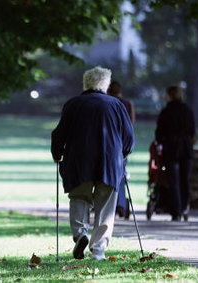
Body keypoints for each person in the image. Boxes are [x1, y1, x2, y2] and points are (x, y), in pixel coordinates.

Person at [51, 66, 134, 260]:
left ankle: (80, 234)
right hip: (109, 162)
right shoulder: (116, 105)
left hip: (79, 162)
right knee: (105, 206)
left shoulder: (73, 104)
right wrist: (123, 155)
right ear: (105, 84)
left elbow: (59, 134)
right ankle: (98, 250)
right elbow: (129, 137)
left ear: (85, 83)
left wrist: (57, 154)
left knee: (80, 198)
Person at [155, 86, 196, 221]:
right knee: (184, 179)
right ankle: (184, 207)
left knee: (174, 181)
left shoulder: (166, 111)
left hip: (171, 148)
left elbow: (160, 132)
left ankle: (176, 211)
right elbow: (193, 132)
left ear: (170, 95)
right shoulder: (187, 110)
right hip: (185, 148)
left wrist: (160, 143)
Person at [107, 81, 136, 219]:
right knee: (121, 174)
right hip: (121, 145)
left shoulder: (106, 103)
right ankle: (121, 204)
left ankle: (112, 204)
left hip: (107, 144)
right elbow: (131, 125)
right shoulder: (127, 104)